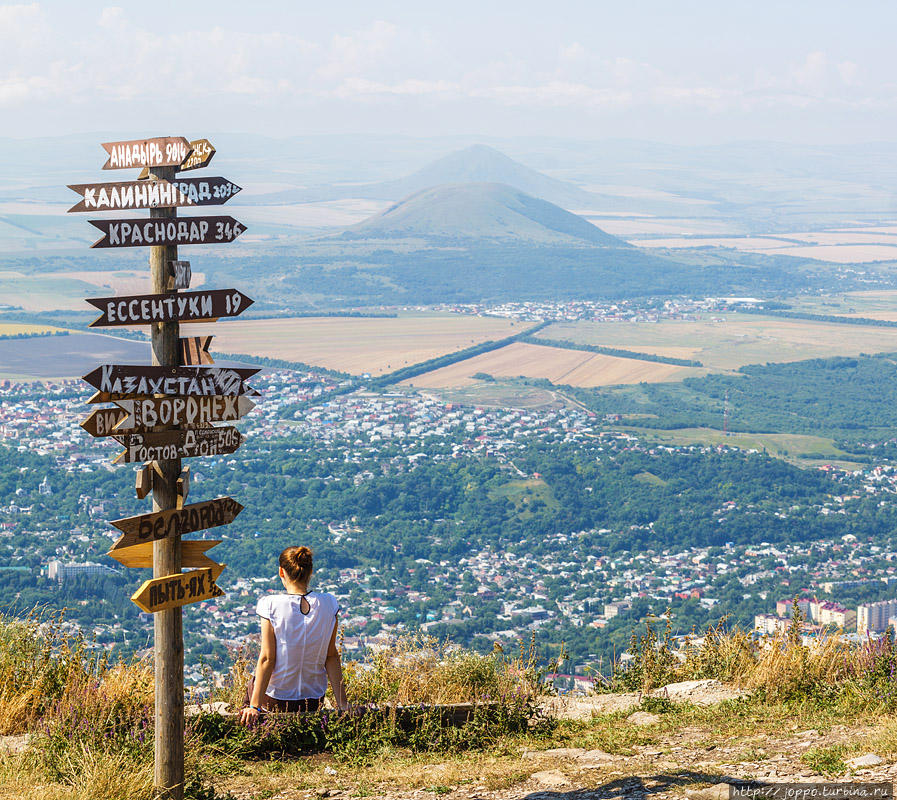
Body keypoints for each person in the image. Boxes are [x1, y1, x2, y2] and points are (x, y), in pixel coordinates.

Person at [240, 546, 348, 724]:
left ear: (281, 572)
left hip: (277, 701)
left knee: (254, 681)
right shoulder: (329, 604)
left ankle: (252, 723)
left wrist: (254, 706)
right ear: (311, 572)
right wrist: (343, 704)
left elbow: (267, 659)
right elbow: (331, 656)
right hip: (313, 701)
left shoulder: (271, 605)